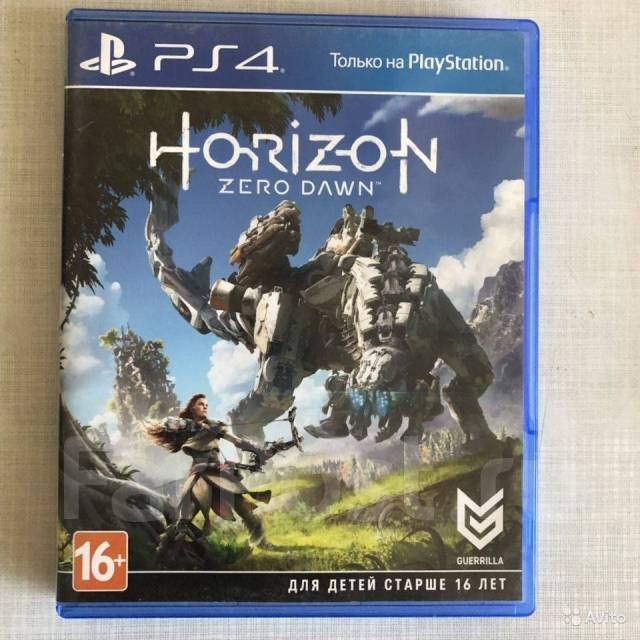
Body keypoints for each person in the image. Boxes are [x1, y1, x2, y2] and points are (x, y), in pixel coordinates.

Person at [145, 393, 271, 547]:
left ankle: (260, 542)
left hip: (218, 473)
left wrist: (256, 449)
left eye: (206, 405)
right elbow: (168, 423)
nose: (205, 407)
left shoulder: (215, 425)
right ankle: (163, 550)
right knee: (184, 520)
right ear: (192, 408)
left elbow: (236, 440)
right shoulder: (186, 425)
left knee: (246, 509)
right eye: (200, 404)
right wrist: (196, 426)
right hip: (200, 473)